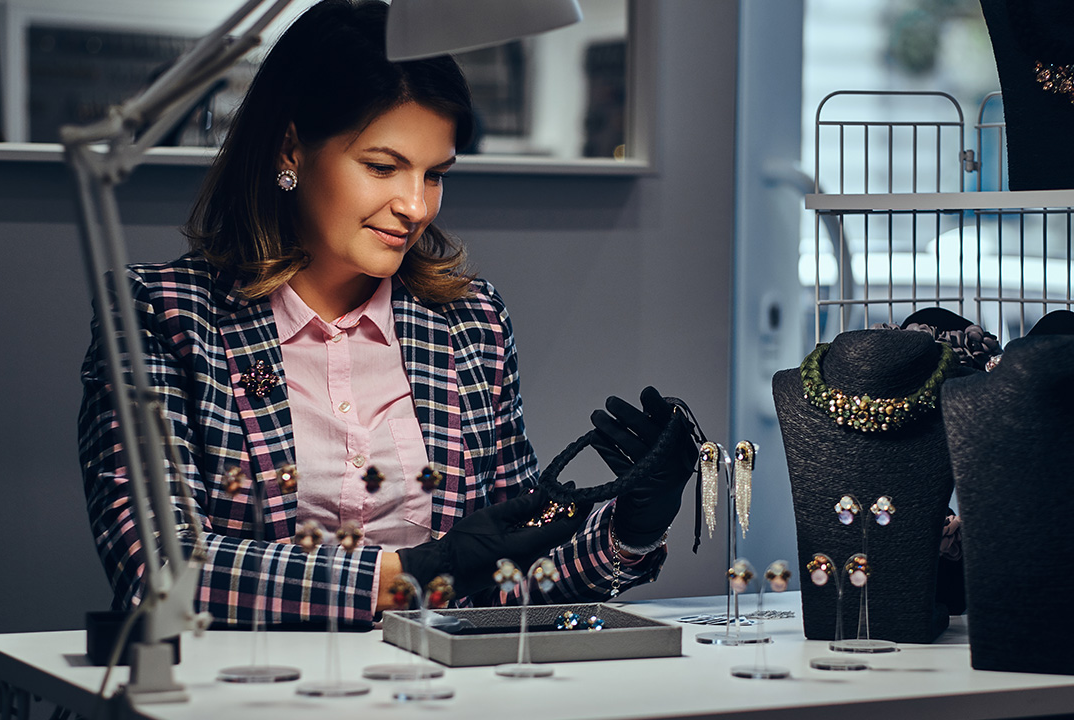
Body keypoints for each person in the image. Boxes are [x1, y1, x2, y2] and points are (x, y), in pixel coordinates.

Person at [78, 0, 697, 629]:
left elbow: (511, 570)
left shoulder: (468, 323)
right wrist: (420, 573)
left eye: (435, 174)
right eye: (382, 167)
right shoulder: (165, 317)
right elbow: (158, 568)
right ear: (290, 149)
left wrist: (629, 527)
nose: (415, 206)